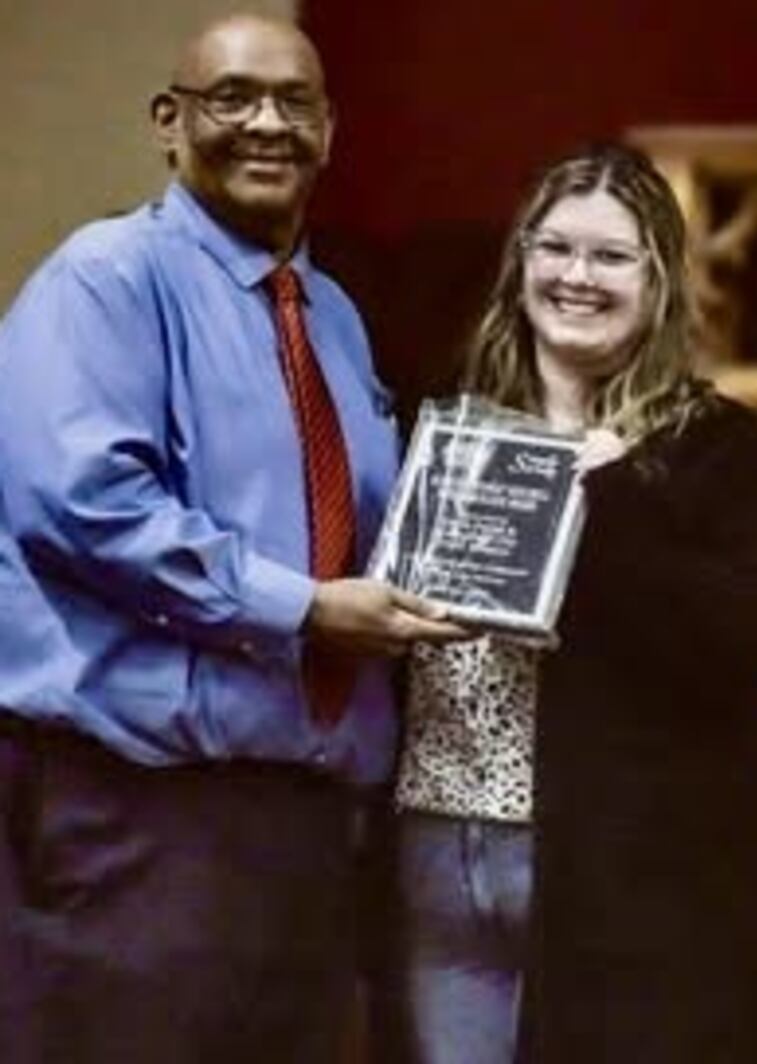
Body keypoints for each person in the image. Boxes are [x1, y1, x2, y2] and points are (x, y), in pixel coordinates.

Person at [0, 14, 467, 1063]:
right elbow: (85, 503)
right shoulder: (106, 279)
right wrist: (305, 607)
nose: (268, 123)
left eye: (294, 101)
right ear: (169, 124)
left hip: (304, 831)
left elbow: (371, 531)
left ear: (330, 131)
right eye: (232, 98)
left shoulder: (333, 317)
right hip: (140, 820)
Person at [387, 143, 757, 1064]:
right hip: (442, 843)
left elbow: (746, 640)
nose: (577, 276)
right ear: (521, 263)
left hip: (626, 882)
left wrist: (614, 503)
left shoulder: (720, 449)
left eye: (611, 256)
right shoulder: (447, 423)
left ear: (659, 281)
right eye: (556, 248)